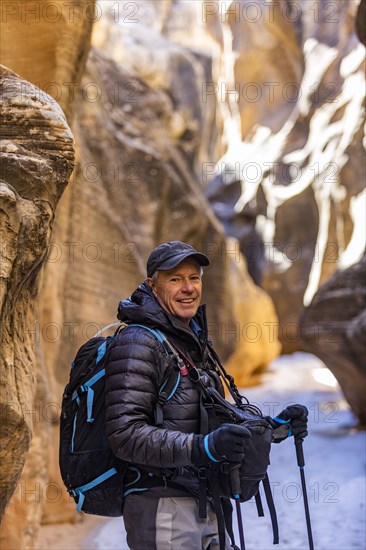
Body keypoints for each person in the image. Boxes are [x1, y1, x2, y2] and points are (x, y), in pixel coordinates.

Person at [105, 241, 308, 550]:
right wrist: (202, 447)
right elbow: (125, 434)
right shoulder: (137, 343)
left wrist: (274, 427)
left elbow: (212, 414)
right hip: (163, 506)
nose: (188, 288)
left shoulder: (189, 339)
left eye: (194, 278)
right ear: (152, 284)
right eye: (175, 279)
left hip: (207, 499)